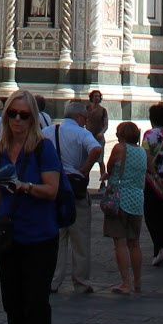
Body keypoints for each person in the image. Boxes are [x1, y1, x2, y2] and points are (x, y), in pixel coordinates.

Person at [0, 88, 61, 324]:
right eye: (12, 114)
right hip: (10, 236)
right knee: (13, 306)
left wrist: (26, 187)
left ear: (32, 118)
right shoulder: (1, 150)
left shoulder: (43, 149)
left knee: (35, 306)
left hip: (40, 238)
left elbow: (52, 190)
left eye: (23, 115)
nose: (17, 120)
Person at [50, 100, 102, 294]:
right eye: (85, 118)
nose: (85, 122)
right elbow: (96, 149)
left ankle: (53, 281)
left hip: (55, 188)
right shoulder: (82, 133)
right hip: (75, 190)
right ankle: (81, 281)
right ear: (79, 117)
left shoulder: (49, 132)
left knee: (58, 237)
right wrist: (85, 169)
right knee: (80, 237)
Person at [103, 120, 147, 294]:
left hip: (120, 199)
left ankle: (125, 283)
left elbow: (110, 166)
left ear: (121, 135)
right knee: (134, 243)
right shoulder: (142, 151)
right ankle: (137, 282)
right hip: (137, 200)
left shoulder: (120, 148)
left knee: (120, 242)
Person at [142, 102, 163, 265]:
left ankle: (160, 248)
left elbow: (146, 156)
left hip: (152, 180)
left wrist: (155, 174)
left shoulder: (149, 134)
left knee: (151, 215)